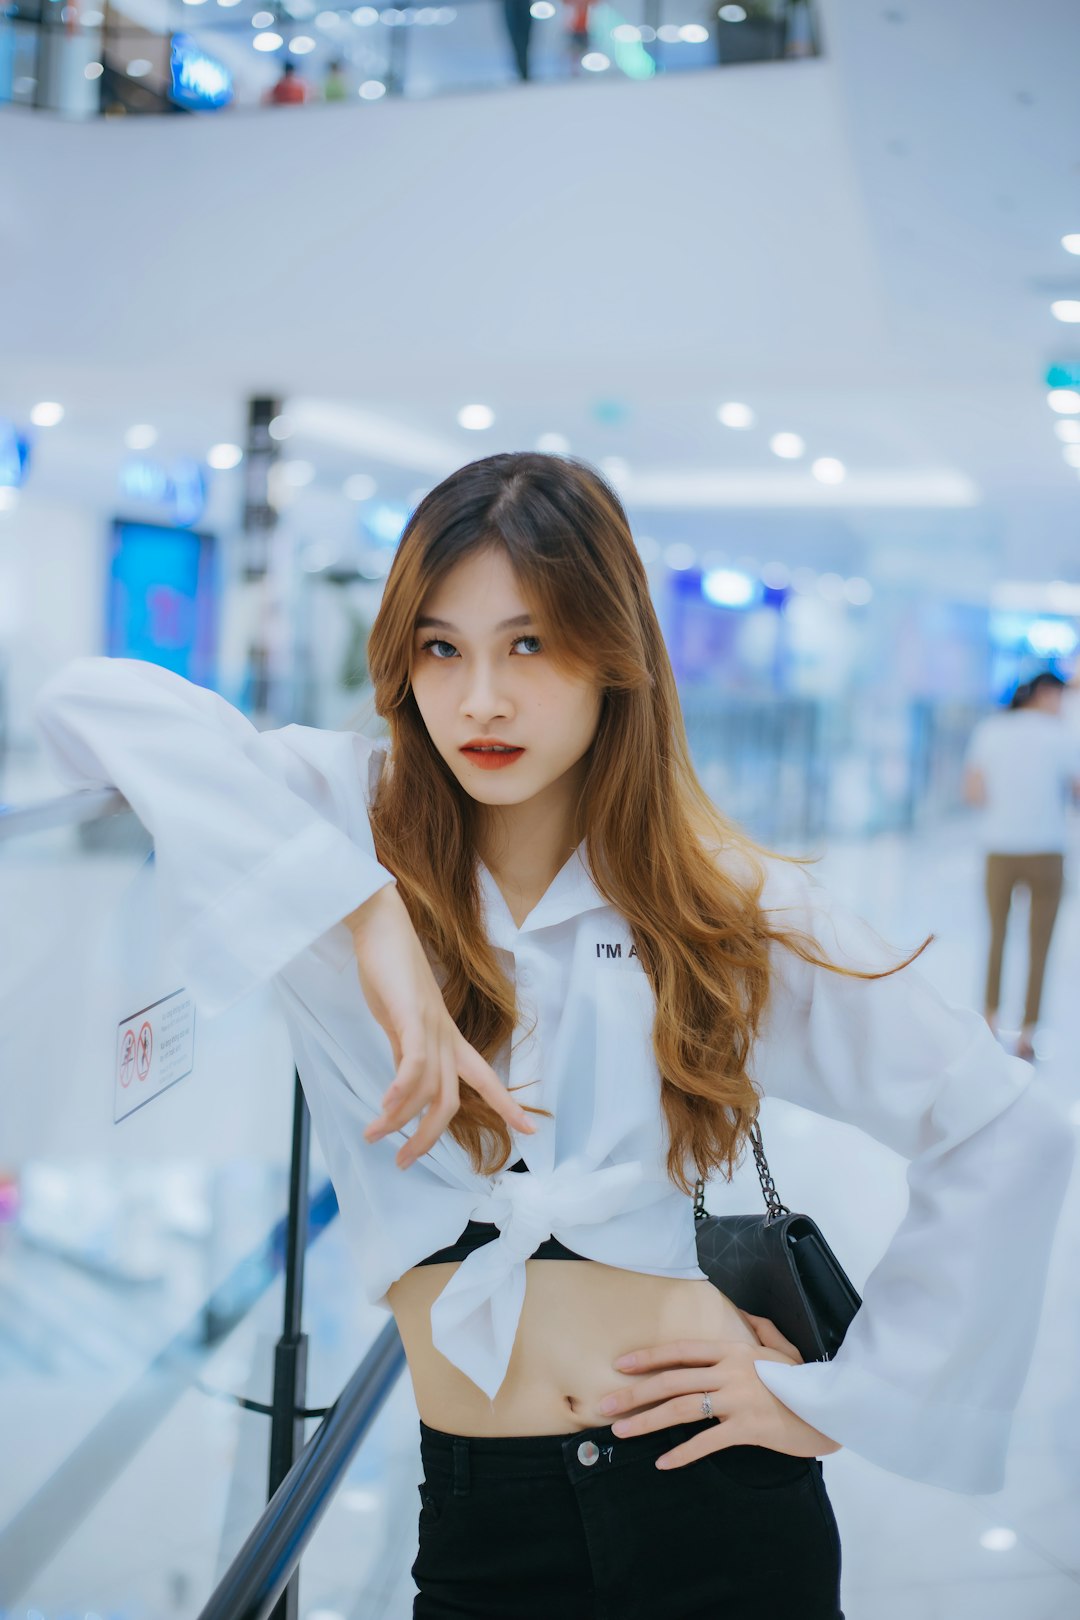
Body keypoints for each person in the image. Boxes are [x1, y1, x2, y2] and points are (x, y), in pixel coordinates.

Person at [32, 454, 1073, 1618]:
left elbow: (1007, 1127)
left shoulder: (717, 902)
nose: (480, 698)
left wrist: (846, 1399)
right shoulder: (333, 814)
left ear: (613, 653)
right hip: (481, 1517)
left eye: (528, 644)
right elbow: (83, 703)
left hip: (715, 1504)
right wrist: (363, 908)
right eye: (442, 647)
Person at [964, 670, 1080, 1062]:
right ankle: (1029, 1031)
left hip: (999, 847)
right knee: (1040, 944)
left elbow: (974, 791)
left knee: (996, 937)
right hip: (1047, 850)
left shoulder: (991, 729)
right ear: (1047, 695)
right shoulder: (1060, 735)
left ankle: (990, 1019)